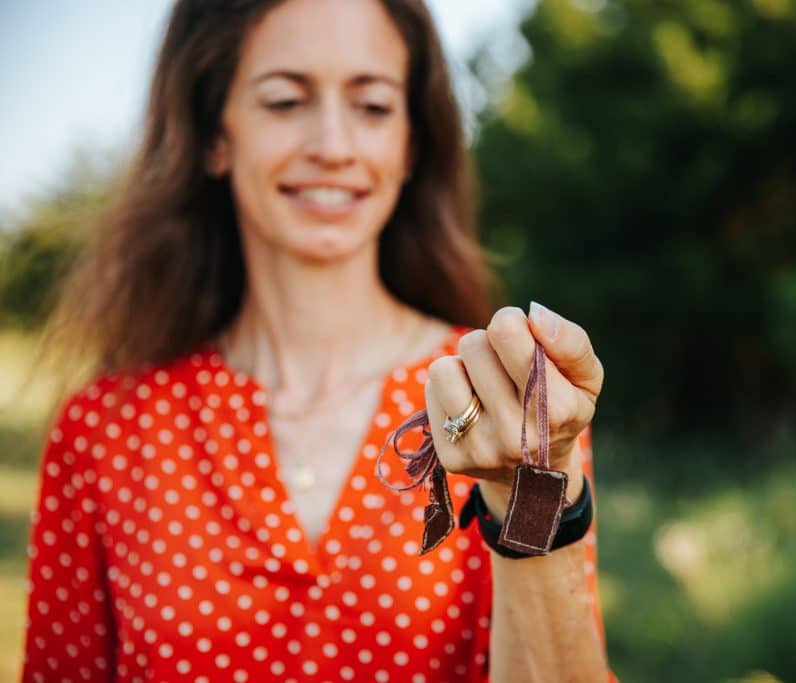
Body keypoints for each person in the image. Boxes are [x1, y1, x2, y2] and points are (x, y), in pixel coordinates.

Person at [20, 0, 615, 681]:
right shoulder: (103, 431)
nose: (333, 145)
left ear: (411, 145)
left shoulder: (498, 398)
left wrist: (532, 492)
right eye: (284, 102)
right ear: (214, 134)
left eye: (373, 106)